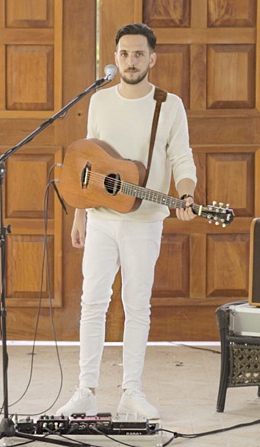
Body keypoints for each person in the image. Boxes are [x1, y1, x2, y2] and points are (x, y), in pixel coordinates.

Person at [55, 23, 197, 420]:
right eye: (123, 54)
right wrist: (80, 214)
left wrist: (185, 194)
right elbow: (87, 157)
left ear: (152, 58)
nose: (130, 61)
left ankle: (131, 392)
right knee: (92, 303)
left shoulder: (169, 105)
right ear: (115, 57)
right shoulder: (99, 101)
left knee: (137, 305)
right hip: (100, 218)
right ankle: (85, 390)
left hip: (144, 219)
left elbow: (182, 158)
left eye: (137, 54)